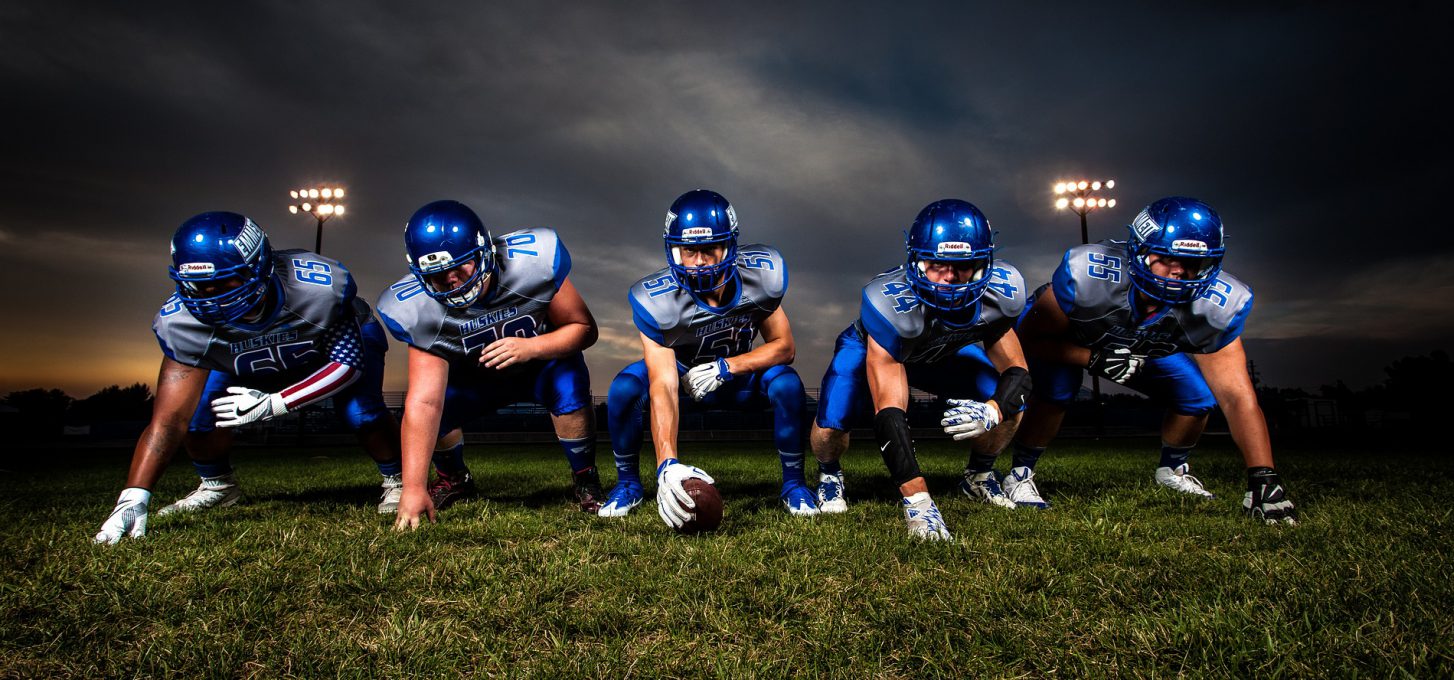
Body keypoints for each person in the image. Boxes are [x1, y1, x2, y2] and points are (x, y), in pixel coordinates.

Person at [94, 212, 403, 544]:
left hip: (325, 350)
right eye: (201, 286)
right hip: (244, 363)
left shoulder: (318, 288)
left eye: (227, 282)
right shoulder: (181, 324)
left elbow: (348, 365)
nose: (213, 296)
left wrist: (275, 404)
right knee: (200, 416)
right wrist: (134, 496)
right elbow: (169, 421)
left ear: (260, 265)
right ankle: (218, 486)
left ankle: (397, 479)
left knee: (361, 411)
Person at [1004, 196, 1298, 524]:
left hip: (1142, 346)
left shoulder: (1217, 307)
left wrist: (1263, 478)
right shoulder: (1089, 277)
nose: (1179, 272)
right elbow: (1030, 340)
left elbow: (1237, 397)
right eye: (1166, 257)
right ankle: (1020, 473)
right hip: (1072, 338)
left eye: (1192, 263)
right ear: (1139, 251)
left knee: (1197, 398)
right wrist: (1093, 358)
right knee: (1058, 389)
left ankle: (1172, 469)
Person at [808, 199, 1030, 540]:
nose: (949, 278)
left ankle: (979, 476)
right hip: (876, 348)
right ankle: (829, 473)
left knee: (1011, 401)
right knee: (831, 423)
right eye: (937, 264)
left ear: (984, 264)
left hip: (941, 354)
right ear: (916, 261)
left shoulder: (1002, 293)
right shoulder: (888, 303)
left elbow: (1018, 373)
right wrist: (919, 502)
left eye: (963, 266)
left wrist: (993, 409)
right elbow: (890, 412)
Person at [378, 200, 603, 530]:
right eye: (438, 276)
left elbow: (584, 329)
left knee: (569, 382)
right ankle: (453, 477)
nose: (453, 281)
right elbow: (424, 401)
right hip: (475, 377)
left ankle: (585, 477)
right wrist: (412, 487)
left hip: (539, 364)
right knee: (432, 409)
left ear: (483, 252)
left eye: (460, 267)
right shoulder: (415, 308)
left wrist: (532, 347)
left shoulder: (534, 262)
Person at [600, 189, 817, 528]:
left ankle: (794, 484)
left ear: (729, 247)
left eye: (709, 249)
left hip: (737, 374)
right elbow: (663, 381)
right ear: (674, 250)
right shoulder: (656, 300)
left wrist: (728, 367)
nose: (699, 261)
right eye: (689, 251)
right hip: (683, 376)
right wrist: (667, 464)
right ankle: (629, 483)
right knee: (625, 388)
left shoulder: (758, 279)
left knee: (788, 384)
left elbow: (784, 347)